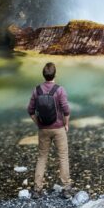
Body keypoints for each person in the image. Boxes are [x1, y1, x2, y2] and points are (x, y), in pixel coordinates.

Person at [27, 61, 72, 194]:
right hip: (59, 129)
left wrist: (38, 124)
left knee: (42, 157)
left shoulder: (37, 90)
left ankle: (37, 189)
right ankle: (66, 188)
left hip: (43, 129)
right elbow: (66, 110)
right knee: (63, 156)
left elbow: (30, 110)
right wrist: (66, 123)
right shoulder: (60, 90)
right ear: (55, 75)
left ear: (43, 75)